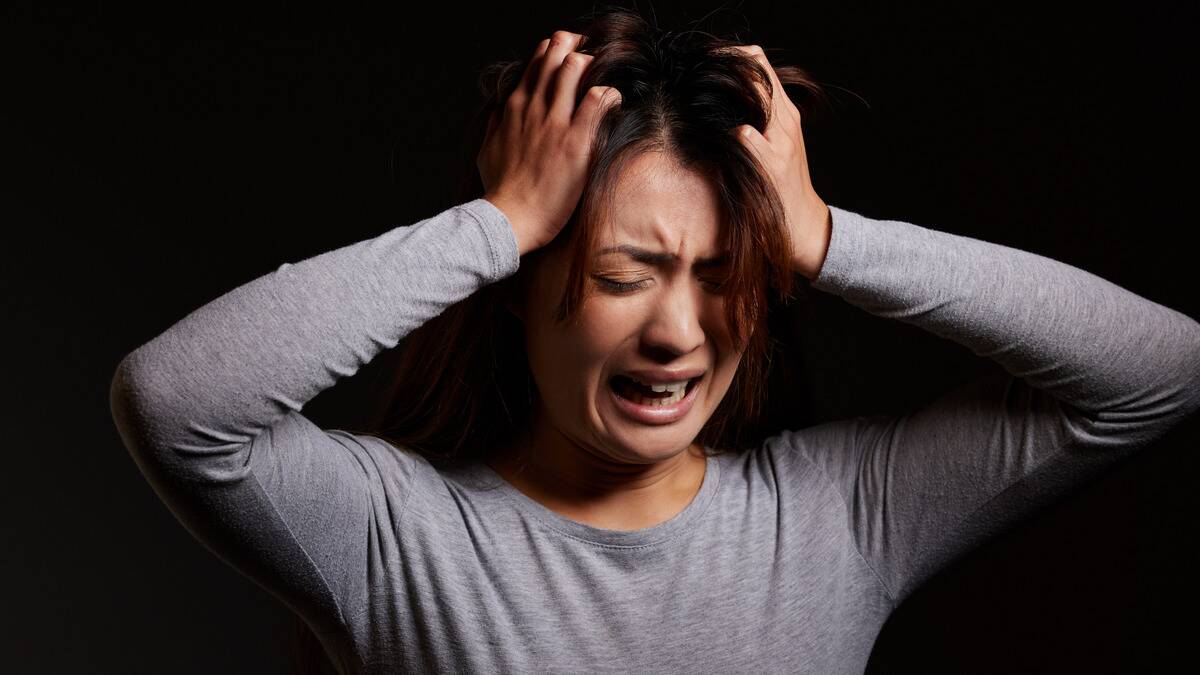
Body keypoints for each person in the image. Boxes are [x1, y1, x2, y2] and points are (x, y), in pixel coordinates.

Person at [108, 8, 1200, 674]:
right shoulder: (400, 537)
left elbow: (1159, 371)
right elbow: (178, 402)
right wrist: (496, 224)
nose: (678, 332)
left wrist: (826, 238)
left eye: (723, 277)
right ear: (517, 289)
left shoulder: (836, 518)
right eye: (622, 275)